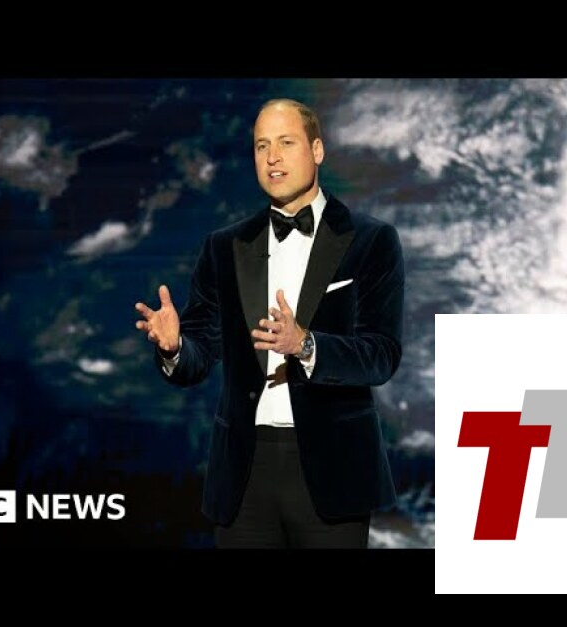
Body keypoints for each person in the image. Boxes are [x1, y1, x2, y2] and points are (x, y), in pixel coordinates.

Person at [134, 98, 405, 548]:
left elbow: (382, 354)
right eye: (262, 146)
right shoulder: (224, 246)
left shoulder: (371, 240)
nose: (272, 157)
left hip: (333, 471)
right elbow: (200, 355)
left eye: (286, 143)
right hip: (244, 473)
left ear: (317, 150)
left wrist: (306, 345)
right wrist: (175, 347)